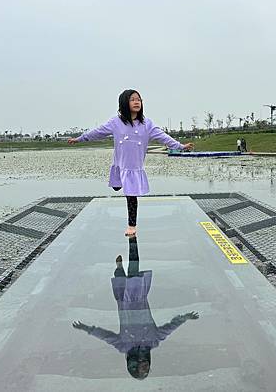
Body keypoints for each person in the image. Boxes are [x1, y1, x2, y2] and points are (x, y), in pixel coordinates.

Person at [68, 89, 194, 237]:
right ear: (124, 103)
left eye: (139, 99)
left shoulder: (147, 124)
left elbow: (163, 137)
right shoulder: (115, 122)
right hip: (120, 164)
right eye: (133, 99)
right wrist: (80, 139)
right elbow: (98, 132)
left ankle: (132, 226)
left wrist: (180, 146)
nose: (137, 102)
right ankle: (119, 182)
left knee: (131, 195)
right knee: (116, 187)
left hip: (134, 168)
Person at [72, 236, 199, 380]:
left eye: (139, 367)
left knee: (120, 279)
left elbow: (105, 336)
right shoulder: (153, 341)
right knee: (134, 268)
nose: (142, 363)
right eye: (145, 366)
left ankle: (119, 267)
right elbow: (171, 327)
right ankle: (132, 240)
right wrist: (185, 318)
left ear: (131, 365)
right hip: (138, 298)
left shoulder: (124, 346)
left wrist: (86, 328)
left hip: (124, 303)